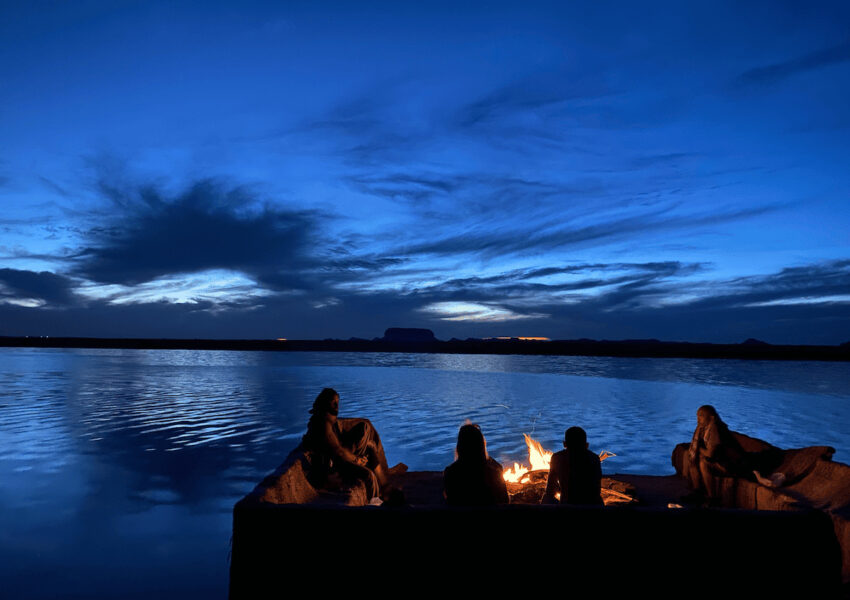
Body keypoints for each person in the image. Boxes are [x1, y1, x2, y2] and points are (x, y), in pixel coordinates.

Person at [301, 387, 389, 499]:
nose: (337, 407)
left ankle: (385, 487)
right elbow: (339, 452)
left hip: (339, 459)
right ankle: (375, 501)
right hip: (334, 467)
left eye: (337, 402)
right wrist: (357, 460)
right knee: (368, 475)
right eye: (333, 403)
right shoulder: (323, 424)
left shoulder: (331, 421)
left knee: (367, 436)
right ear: (324, 404)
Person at [443, 423, 509, 506]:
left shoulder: (450, 472)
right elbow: (505, 501)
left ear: (460, 446)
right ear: (482, 445)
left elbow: (450, 500)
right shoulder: (494, 472)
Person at [541, 426, 603, 505]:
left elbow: (550, 490)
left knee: (547, 498)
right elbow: (597, 490)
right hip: (591, 506)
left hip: (567, 506)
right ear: (586, 445)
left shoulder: (557, 458)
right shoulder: (594, 458)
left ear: (564, 444)